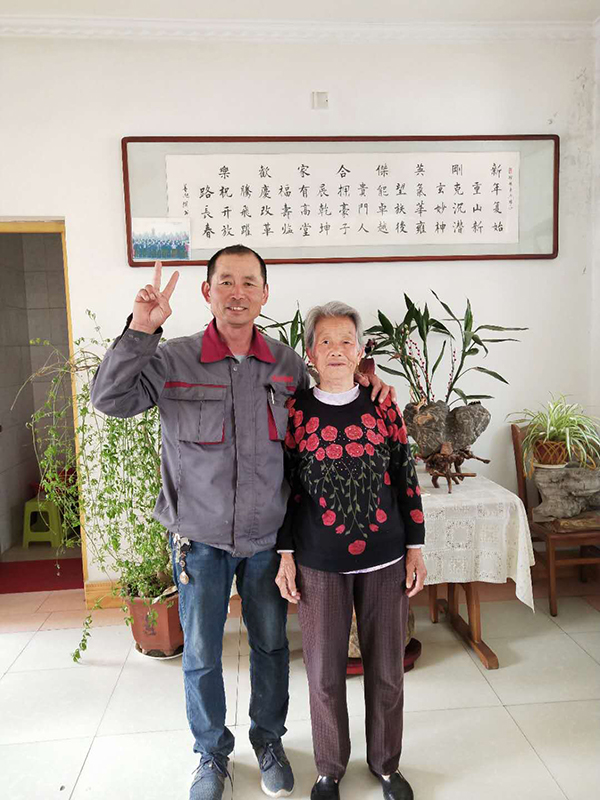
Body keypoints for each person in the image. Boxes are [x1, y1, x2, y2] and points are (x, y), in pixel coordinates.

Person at [90, 246, 393, 800]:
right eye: (226, 282)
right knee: (202, 654)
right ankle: (211, 754)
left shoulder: (287, 365)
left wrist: (370, 379)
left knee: (272, 647)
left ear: (264, 294)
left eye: (249, 283)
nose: (237, 293)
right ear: (207, 292)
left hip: (267, 541)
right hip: (199, 539)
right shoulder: (173, 359)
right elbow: (109, 399)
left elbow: (331, 400)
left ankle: (268, 741)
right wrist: (141, 329)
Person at [275, 302, 427, 800]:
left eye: (346, 340)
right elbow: (284, 487)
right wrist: (285, 554)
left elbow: (405, 475)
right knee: (323, 673)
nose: (336, 349)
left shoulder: (383, 406)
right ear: (310, 353)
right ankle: (329, 768)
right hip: (319, 562)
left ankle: (386, 764)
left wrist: (415, 547)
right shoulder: (296, 411)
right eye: (325, 341)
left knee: (387, 671)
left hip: (385, 558)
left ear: (360, 352)